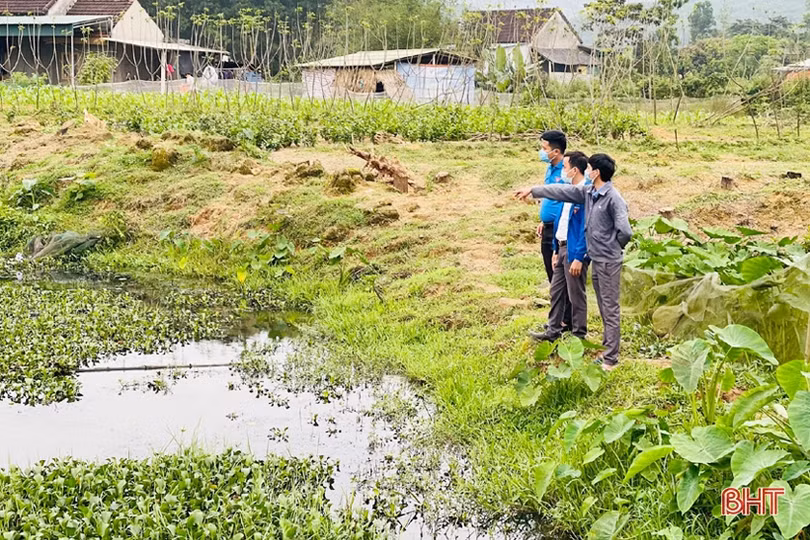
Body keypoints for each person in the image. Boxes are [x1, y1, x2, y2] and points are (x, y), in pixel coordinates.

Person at [514, 154, 633, 371]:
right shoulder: (589, 193)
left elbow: (625, 231)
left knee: (610, 308)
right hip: (597, 259)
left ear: (596, 172)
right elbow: (562, 191)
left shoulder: (613, 198)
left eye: (589, 168)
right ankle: (607, 352)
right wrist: (534, 190)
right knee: (605, 307)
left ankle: (611, 359)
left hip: (608, 260)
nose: (586, 171)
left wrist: (611, 247)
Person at [530, 151, 590, 342]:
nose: (562, 171)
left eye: (564, 167)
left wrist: (579, 257)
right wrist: (556, 249)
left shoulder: (585, 194)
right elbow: (561, 221)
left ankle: (579, 333)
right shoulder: (568, 191)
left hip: (574, 250)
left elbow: (584, 230)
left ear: (574, 170)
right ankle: (553, 330)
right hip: (562, 247)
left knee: (575, 293)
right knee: (556, 291)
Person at [535, 130, 572, 331]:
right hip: (548, 227)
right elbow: (549, 198)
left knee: (559, 275)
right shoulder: (550, 168)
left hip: (559, 231)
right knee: (552, 274)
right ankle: (561, 317)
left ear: (556, 151)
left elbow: (564, 204)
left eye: (544, 149)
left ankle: (566, 319)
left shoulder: (566, 172)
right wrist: (543, 219)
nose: (542, 152)